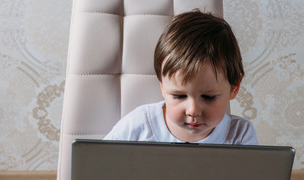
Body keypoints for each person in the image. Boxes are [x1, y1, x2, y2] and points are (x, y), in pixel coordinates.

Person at [104, 10, 258, 145]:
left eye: (208, 97)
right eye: (179, 96)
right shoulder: (139, 124)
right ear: (163, 87)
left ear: (234, 87)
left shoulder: (239, 135)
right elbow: (96, 163)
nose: (193, 111)